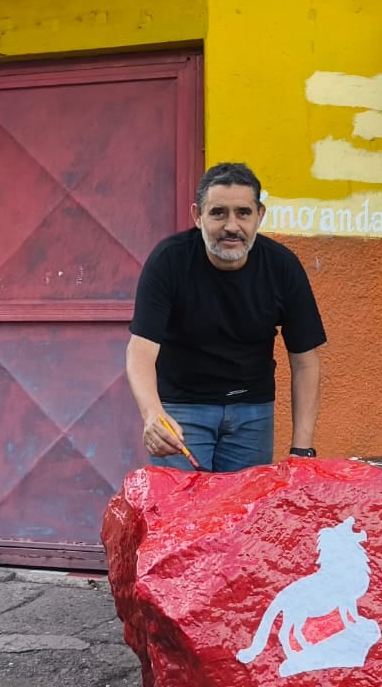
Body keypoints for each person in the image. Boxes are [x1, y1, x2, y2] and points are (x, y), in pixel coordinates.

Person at [127, 162, 327, 472]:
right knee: (184, 514)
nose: (231, 226)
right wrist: (153, 413)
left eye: (243, 213)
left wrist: (302, 450)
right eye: (218, 213)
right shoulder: (169, 261)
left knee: (242, 515)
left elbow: (305, 361)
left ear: (259, 215)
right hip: (183, 411)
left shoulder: (282, 267)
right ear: (198, 215)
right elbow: (140, 351)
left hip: (253, 413)